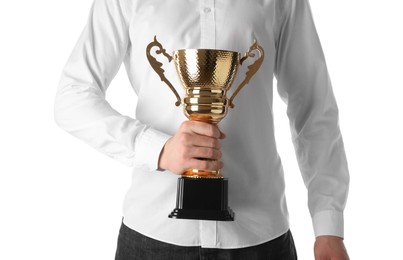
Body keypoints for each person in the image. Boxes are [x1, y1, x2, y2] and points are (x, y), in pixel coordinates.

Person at [54, 0, 350, 259]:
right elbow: (73, 96)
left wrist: (329, 226)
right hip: (153, 236)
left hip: (259, 239)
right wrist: (157, 149)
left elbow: (313, 109)